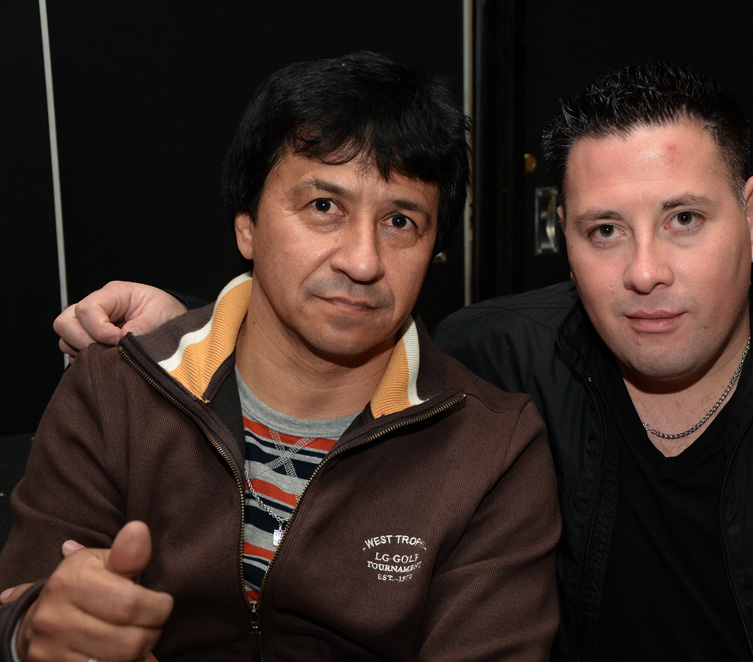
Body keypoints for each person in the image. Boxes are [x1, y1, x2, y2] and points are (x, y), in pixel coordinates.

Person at [41, 62, 753, 660]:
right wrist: (185, 339)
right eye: (603, 230)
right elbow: (343, 331)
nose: (645, 271)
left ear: (750, 219)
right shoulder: (502, 352)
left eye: (683, 219)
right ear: (562, 238)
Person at [0, 52, 560, 661]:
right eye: (324, 207)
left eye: (400, 221)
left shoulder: (493, 450)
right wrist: (33, 632)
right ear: (247, 224)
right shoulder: (118, 392)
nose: (363, 261)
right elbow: (22, 606)